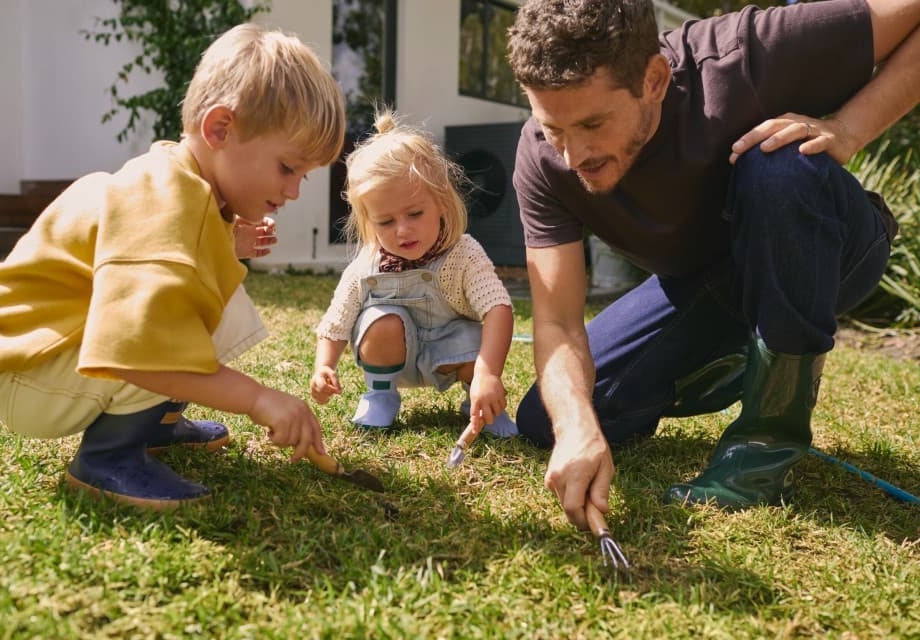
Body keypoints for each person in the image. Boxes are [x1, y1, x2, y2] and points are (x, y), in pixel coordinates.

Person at [506, 0, 920, 529]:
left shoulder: (751, 53)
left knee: (779, 165)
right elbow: (559, 323)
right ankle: (743, 361)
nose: (573, 154)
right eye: (554, 129)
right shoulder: (541, 160)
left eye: (592, 122)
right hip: (711, 283)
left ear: (654, 79)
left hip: (831, 248)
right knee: (546, 417)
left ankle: (764, 450)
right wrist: (575, 427)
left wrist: (851, 127)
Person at [0, 23, 346, 510]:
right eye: (287, 168)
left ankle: (154, 424)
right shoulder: (162, 202)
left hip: (40, 353)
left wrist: (228, 243)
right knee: (159, 328)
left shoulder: (183, 183)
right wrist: (257, 397)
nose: (292, 191)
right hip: (25, 373)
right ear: (220, 129)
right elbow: (139, 348)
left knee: (205, 298)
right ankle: (107, 458)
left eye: (302, 177)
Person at [310, 111, 518, 439]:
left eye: (415, 213)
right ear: (369, 222)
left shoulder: (463, 252)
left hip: (449, 355)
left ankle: (477, 401)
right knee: (381, 319)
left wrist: (488, 373)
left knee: (476, 339)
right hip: (393, 359)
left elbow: (497, 308)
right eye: (386, 222)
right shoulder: (368, 263)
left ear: (442, 203)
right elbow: (337, 320)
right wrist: (324, 366)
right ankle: (380, 395)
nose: (403, 230)